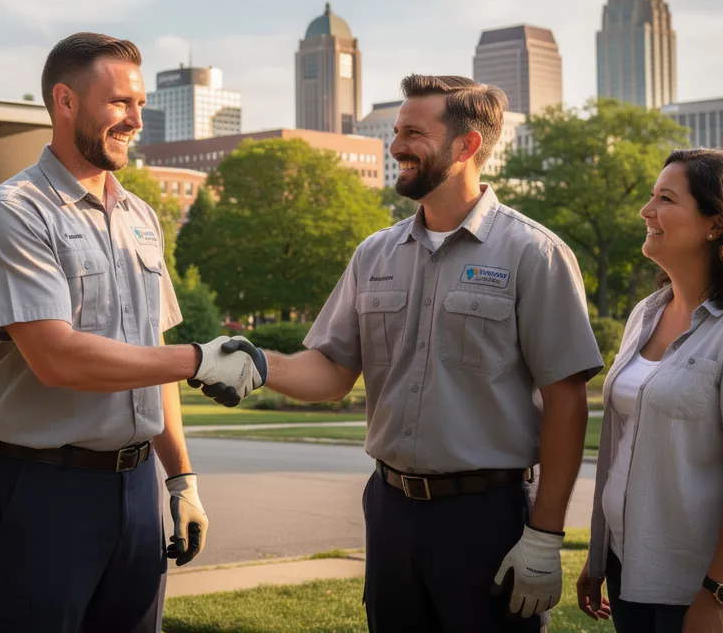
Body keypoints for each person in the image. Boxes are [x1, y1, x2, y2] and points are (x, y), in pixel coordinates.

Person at [191, 74, 604, 632]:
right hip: (390, 511)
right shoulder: (374, 253)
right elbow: (334, 370)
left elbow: (567, 402)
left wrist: (545, 537)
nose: (395, 147)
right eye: (395, 132)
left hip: (486, 517)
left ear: (467, 145)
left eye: (413, 133)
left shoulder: (534, 253)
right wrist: (261, 364)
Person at [0, 32, 266, 633]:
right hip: (44, 490)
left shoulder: (141, 218)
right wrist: (197, 360)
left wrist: (180, 478)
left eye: (141, 104)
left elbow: (152, 356)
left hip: (135, 492)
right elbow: (58, 359)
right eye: (120, 103)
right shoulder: (14, 212)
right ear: (65, 101)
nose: (135, 119)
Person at [576, 149, 723, 633]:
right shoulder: (645, 313)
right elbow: (627, 445)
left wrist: (719, 593)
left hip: (713, 589)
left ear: (717, 224)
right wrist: (599, 556)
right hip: (630, 571)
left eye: (665, 198)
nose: (646, 210)